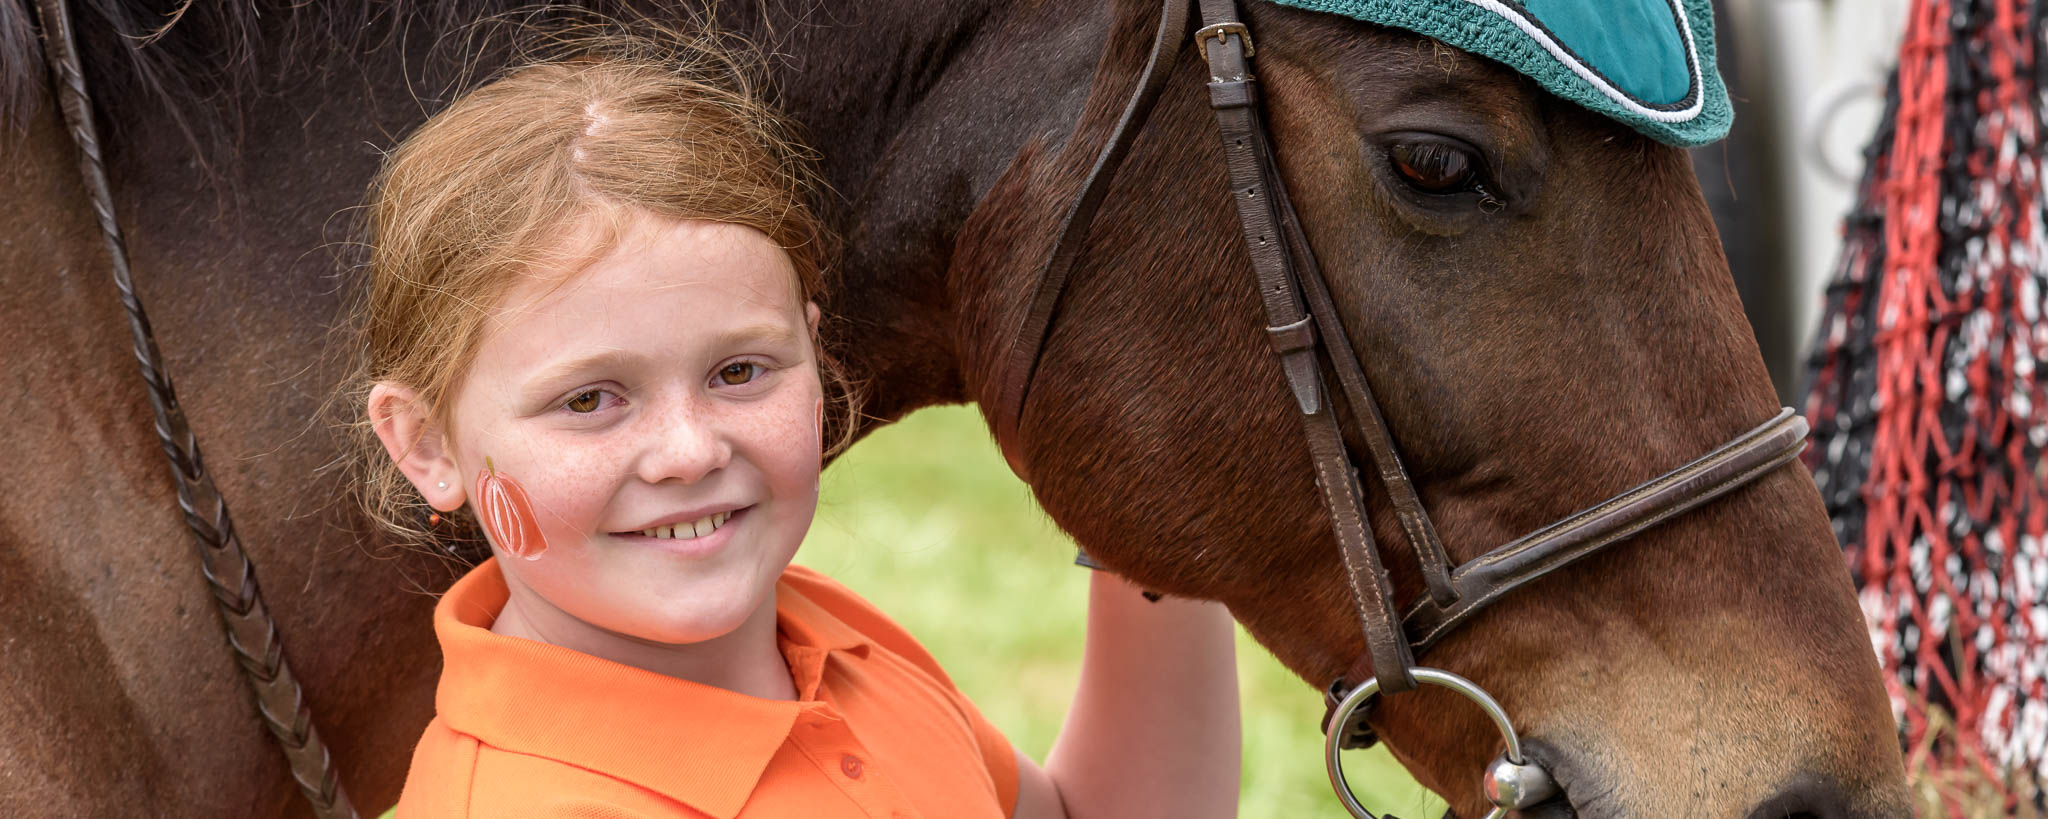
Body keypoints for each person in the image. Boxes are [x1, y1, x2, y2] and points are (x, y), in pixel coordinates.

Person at [340, 32, 1241, 819]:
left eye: (739, 371)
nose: (692, 450)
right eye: (590, 399)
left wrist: (1143, 521)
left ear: (815, 361)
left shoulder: (821, 636)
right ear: (425, 443)